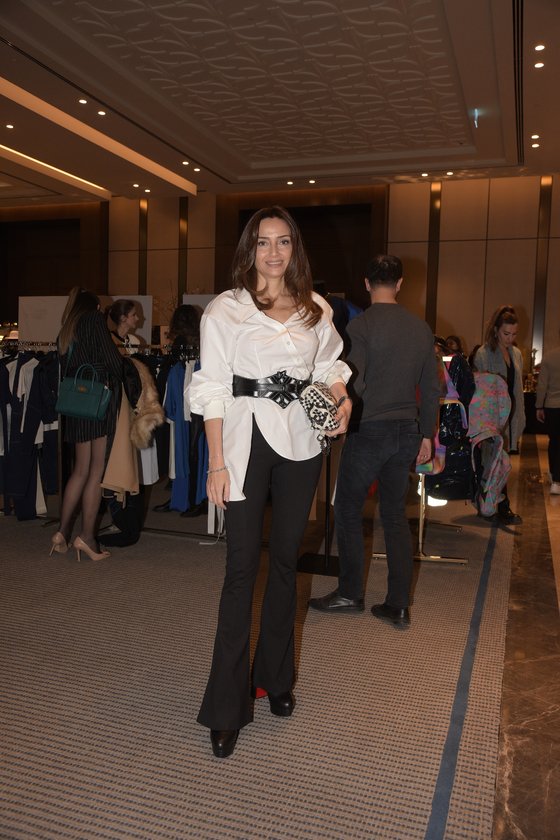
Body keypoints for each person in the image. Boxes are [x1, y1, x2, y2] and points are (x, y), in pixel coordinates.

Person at [189, 205, 352, 758]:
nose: (274, 252)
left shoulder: (315, 308)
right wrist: (216, 462)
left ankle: (275, 678)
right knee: (240, 569)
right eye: (263, 242)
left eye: (283, 242)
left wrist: (342, 399)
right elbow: (212, 387)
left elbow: (329, 366)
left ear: (294, 248)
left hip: (302, 442)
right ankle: (226, 704)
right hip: (243, 441)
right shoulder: (225, 310)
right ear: (249, 249)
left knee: (285, 561)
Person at [309, 254, 440, 629]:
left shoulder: (360, 326)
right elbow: (431, 388)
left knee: (348, 510)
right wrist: (427, 434)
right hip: (408, 431)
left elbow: (355, 381)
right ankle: (397, 604)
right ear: (400, 284)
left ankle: (350, 593)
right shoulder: (421, 329)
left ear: (366, 284)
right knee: (395, 516)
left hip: (370, 430)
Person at [50, 287, 125, 561]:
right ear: (94, 307)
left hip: (76, 404)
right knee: (96, 470)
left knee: (80, 469)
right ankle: (87, 538)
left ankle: (61, 533)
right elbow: (112, 359)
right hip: (96, 401)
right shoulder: (93, 320)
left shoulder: (66, 329)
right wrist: (125, 371)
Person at [473, 305, 525, 521]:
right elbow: (481, 391)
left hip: (511, 415)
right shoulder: (484, 353)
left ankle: (493, 505)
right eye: (506, 333)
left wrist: (520, 417)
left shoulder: (516, 354)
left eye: (514, 334)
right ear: (495, 330)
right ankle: (498, 506)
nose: (510, 339)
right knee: (493, 463)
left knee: (502, 463)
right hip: (492, 418)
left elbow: (517, 388)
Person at [536, 340, 560, 494]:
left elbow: (542, 384)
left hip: (552, 406)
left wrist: (539, 406)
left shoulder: (549, 357)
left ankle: (554, 477)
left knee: (555, 441)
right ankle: (557, 479)